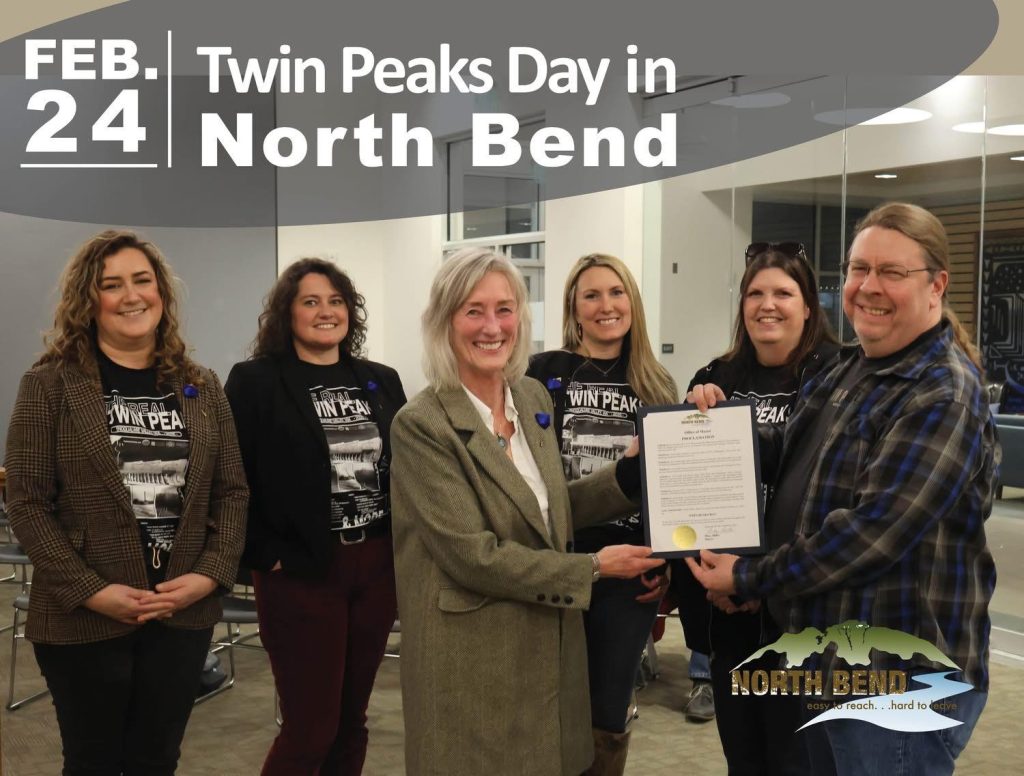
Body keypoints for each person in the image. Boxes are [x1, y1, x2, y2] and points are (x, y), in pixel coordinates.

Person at [687, 203, 997, 776]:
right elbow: (792, 462)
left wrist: (750, 575)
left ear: (937, 286)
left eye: (891, 272)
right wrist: (708, 433)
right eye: (859, 269)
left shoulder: (941, 392)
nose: (868, 287)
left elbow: (871, 534)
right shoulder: (851, 367)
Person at [390, 248, 663, 776]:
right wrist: (595, 567)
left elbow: (550, 508)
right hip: (472, 658)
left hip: (546, 645)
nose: (492, 327)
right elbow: (474, 555)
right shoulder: (421, 424)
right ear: (444, 323)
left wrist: (628, 473)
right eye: (473, 311)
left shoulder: (531, 395)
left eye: (505, 308)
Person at [4, 230, 248, 775]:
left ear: (162, 292)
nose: (131, 295)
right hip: (83, 618)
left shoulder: (202, 387)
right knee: (92, 763)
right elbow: (26, 505)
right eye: (111, 285)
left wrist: (209, 575)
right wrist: (93, 591)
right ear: (90, 302)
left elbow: (232, 492)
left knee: (156, 760)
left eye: (143, 280)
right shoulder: (50, 386)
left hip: (181, 615)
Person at [224, 258, 406, 775]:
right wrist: (264, 556)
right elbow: (230, 475)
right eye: (310, 301)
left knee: (352, 721)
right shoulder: (257, 381)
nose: (326, 312)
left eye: (336, 301)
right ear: (288, 314)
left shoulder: (380, 381)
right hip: (300, 572)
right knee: (311, 727)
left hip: (374, 566)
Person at [673, 241, 838, 774]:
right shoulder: (716, 375)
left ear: (809, 305)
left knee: (799, 761)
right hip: (728, 608)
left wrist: (758, 581)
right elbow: (691, 488)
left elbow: (833, 494)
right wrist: (718, 580)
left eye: (783, 293)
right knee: (744, 759)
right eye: (755, 293)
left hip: (804, 613)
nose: (768, 304)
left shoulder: (839, 376)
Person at [526, 253, 674, 773]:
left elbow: (668, 487)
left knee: (607, 707)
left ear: (632, 301)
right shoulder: (541, 374)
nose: (606, 306)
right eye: (591, 295)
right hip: (556, 561)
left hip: (629, 568)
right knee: (546, 704)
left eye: (616, 293)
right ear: (574, 306)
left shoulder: (656, 384)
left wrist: (666, 561)